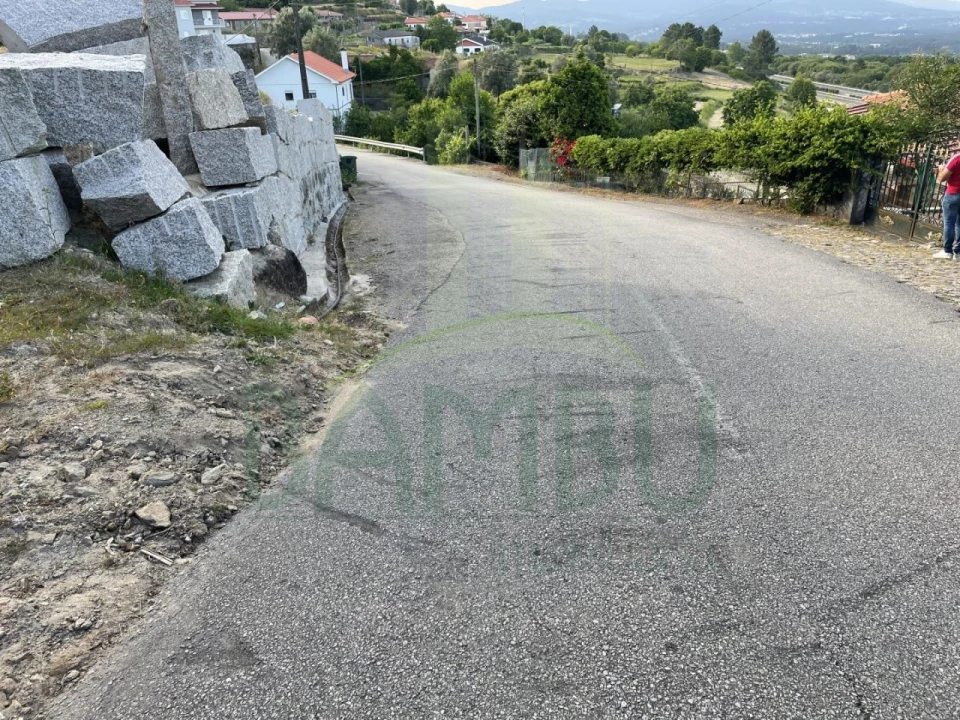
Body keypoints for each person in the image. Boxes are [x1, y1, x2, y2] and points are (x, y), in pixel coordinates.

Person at [935, 152, 960, 259]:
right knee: (959, 223)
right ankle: (958, 252)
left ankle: (947, 250)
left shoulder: (957, 158)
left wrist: (940, 169)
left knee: (949, 222)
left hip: (953, 193)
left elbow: (942, 178)